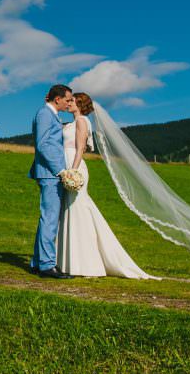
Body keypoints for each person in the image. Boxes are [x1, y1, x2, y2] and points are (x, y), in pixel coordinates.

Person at [56, 92, 158, 278]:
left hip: (74, 165)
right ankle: (70, 261)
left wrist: (73, 170)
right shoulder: (72, 122)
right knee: (71, 211)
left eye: (72, 101)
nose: (68, 103)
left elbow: (80, 148)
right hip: (68, 164)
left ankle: (86, 264)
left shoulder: (81, 122)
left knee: (78, 210)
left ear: (79, 104)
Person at [28, 84, 74, 278]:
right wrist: (60, 170)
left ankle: (38, 262)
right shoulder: (45, 114)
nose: (70, 103)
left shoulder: (50, 114)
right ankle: (47, 265)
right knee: (50, 218)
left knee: (48, 218)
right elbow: (44, 144)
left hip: (50, 172)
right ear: (57, 99)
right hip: (50, 173)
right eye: (68, 99)